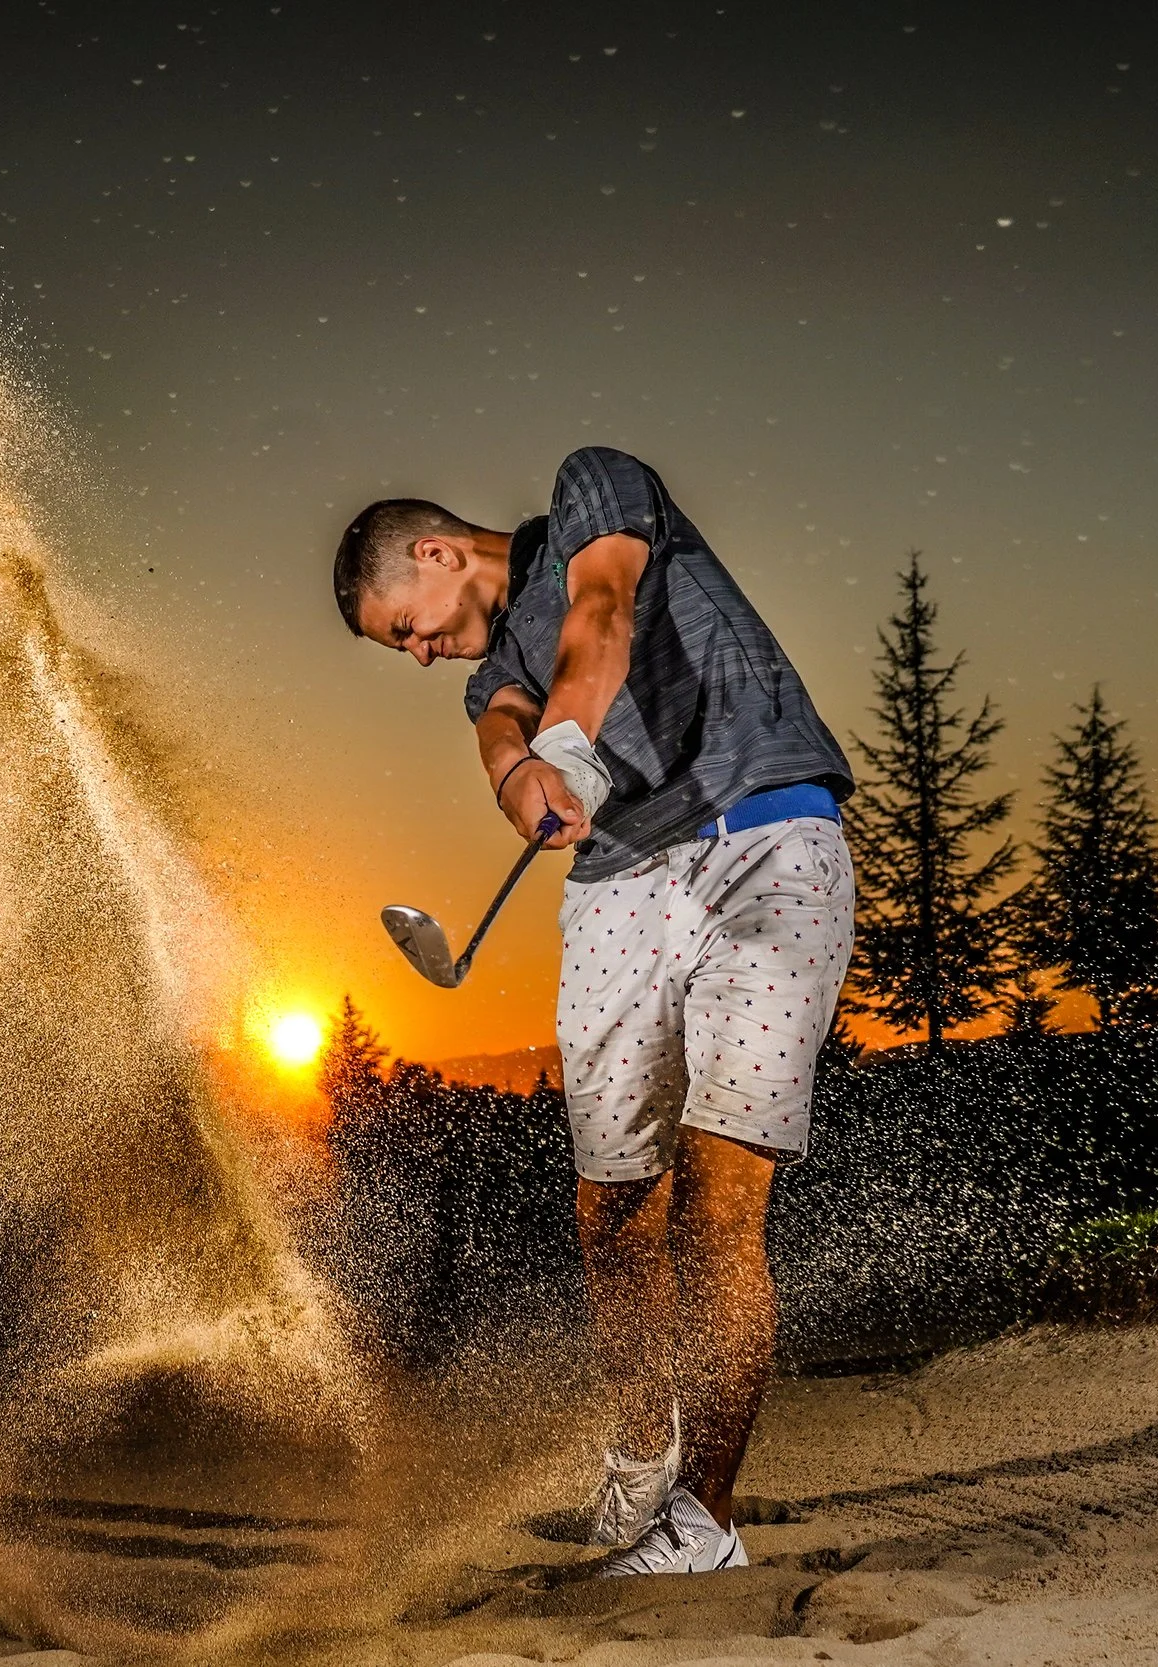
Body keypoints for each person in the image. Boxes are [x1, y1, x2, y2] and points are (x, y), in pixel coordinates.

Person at [331, 447, 855, 1576]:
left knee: (717, 1201)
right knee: (612, 1210)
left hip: (766, 841)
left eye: (406, 627)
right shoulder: (487, 676)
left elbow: (601, 613)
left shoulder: (592, 492)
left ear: (437, 553)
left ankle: (704, 1520)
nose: (417, 652)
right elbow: (499, 722)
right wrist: (516, 775)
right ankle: (638, 1466)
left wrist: (563, 745)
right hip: (618, 886)